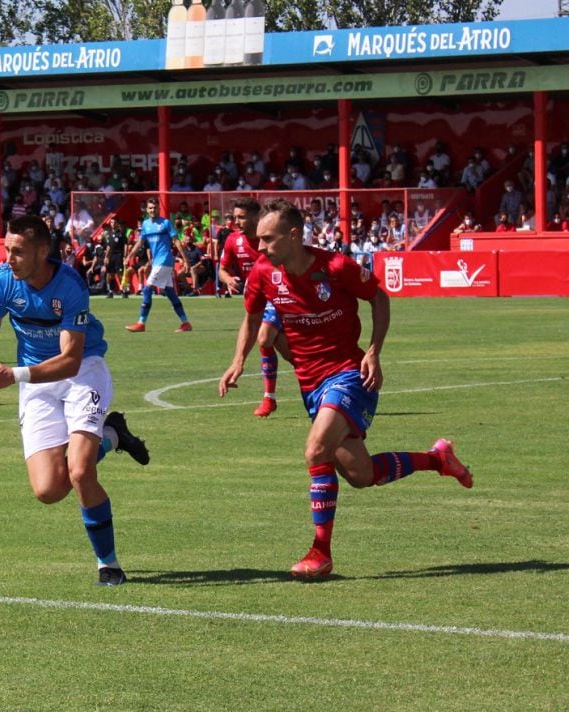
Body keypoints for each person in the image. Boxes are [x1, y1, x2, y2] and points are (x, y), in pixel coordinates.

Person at [218, 198, 474, 579]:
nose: (259, 246)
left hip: (349, 374)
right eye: (257, 239)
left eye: (268, 239)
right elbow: (253, 317)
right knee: (361, 474)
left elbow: (379, 297)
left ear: (293, 235)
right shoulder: (261, 273)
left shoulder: (336, 267)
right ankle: (438, 459)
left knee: (315, 448)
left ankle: (320, 553)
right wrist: (238, 360)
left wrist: (374, 351)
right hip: (311, 384)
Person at [0, 215, 150, 586]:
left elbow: (70, 360)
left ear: (42, 252)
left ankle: (107, 564)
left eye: (18, 251)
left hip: (81, 373)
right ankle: (111, 436)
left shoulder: (70, 286)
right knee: (48, 490)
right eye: (7, 250)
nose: (9, 258)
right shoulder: (2, 281)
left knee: (80, 471)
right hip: (36, 383)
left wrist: (15, 374)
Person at [218, 198, 288, 418]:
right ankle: (270, 397)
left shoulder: (270, 239)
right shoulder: (232, 241)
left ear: (256, 217)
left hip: (282, 295)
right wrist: (228, 279)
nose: (236, 221)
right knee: (286, 350)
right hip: (260, 298)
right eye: (234, 217)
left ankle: (270, 397)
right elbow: (222, 269)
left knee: (266, 337)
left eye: (241, 217)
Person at [125, 197, 192, 333]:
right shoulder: (145, 225)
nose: (152, 210)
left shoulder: (166, 223)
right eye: (150, 208)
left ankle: (141, 323)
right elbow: (139, 243)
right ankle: (185, 323)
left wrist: (186, 260)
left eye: (155, 208)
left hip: (165, 260)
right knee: (170, 292)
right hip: (157, 262)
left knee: (147, 289)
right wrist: (129, 256)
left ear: (158, 209)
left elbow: (177, 242)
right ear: (147, 210)